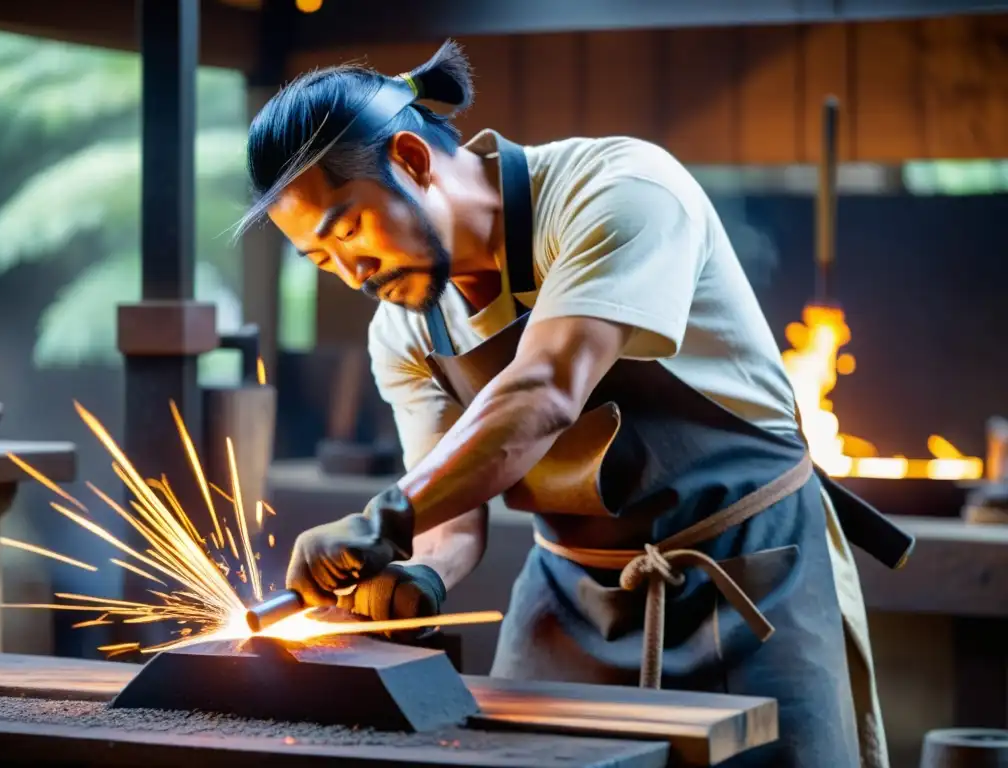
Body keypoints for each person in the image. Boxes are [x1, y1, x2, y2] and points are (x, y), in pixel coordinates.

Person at [237, 41, 910, 767]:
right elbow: (451, 515)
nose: (352, 274)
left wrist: (384, 519)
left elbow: (546, 392)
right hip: (567, 598)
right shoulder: (403, 328)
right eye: (321, 259)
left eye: (347, 232)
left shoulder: (619, 188)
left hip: (749, 577)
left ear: (411, 158)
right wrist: (421, 571)